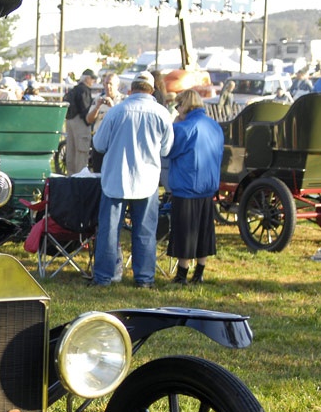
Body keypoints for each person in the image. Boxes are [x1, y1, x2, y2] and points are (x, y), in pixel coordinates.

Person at [90, 69, 174, 288]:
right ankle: (144, 278)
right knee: (145, 231)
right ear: (152, 89)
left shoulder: (117, 111)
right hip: (146, 179)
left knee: (109, 231)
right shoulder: (162, 113)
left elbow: (99, 145)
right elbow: (166, 149)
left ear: (131, 88)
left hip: (116, 178)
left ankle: (103, 277)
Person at [166, 89, 224, 285]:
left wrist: (174, 125)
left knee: (185, 231)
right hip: (208, 185)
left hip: (187, 184)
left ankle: (182, 272)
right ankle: (200, 271)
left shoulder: (184, 128)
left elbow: (169, 151)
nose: (177, 110)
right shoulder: (215, 126)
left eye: (177, 106)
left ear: (184, 105)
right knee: (204, 230)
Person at [86, 72, 122, 172]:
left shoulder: (123, 101)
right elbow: (89, 119)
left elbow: (123, 120)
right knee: (98, 171)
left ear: (117, 86)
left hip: (114, 141)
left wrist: (112, 107)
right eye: (105, 83)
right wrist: (97, 107)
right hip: (99, 141)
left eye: (110, 84)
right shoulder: (98, 99)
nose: (107, 86)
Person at [62, 69, 96, 173]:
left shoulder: (74, 89)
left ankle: (71, 177)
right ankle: (80, 177)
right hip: (80, 123)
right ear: (87, 78)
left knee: (71, 153)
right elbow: (85, 110)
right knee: (81, 153)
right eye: (92, 79)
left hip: (70, 121)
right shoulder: (84, 90)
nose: (93, 81)